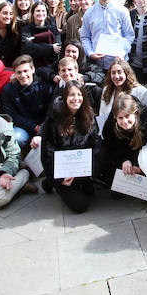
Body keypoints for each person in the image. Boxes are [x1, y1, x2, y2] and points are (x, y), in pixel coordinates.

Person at [35, 81, 101, 213]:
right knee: (80, 206)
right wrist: (59, 178)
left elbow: (95, 145)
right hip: (61, 171)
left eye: (79, 94)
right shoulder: (53, 120)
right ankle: (51, 181)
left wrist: (88, 168)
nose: (76, 98)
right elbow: (47, 153)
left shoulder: (89, 117)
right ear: (65, 97)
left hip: (80, 167)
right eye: (71, 95)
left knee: (90, 192)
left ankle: (70, 181)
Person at [101, 93, 147, 204]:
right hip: (126, 157)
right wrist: (123, 160)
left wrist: (139, 165)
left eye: (127, 116)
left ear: (135, 113)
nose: (125, 122)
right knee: (116, 192)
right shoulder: (110, 127)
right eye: (120, 118)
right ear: (115, 117)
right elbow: (110, 146)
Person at [80, 0, 134, 70]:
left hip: (118, 64)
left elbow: (129, 35)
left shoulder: (122, 11)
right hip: (97, 65)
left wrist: (122, 52)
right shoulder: (89, 13)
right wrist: (90, 52)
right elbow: (85, 37)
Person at [2, 55, 56, 148]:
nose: (23, 75)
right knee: (17, 138)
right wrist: (34, 127)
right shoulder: (9, 90)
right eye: (19, 72)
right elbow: (12, 115)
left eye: (25, 71)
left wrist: (41, 129)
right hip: (23, 127)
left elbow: (51, 111)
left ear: (33, 69)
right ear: (14, 73)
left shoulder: (45, 87)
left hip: (44, 126)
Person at [98, 58, 147, 133]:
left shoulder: (142, 92)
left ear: (126, 73)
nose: (116, 76)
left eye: (119, 72)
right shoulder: (106, 90)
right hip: (110, 134)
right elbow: (102, 114)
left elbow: (146, 119)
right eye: (113, 73)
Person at [20, 1, 61, 69]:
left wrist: (34, 44)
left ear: (46, 13)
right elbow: (27, 49)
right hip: (31, 67)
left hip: (50, 67)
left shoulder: (53, 29)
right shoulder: (26, 30)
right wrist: (50, 48)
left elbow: (57, 49)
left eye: (43, 11)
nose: (41, 13)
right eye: (38, 11)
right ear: (33, 13)